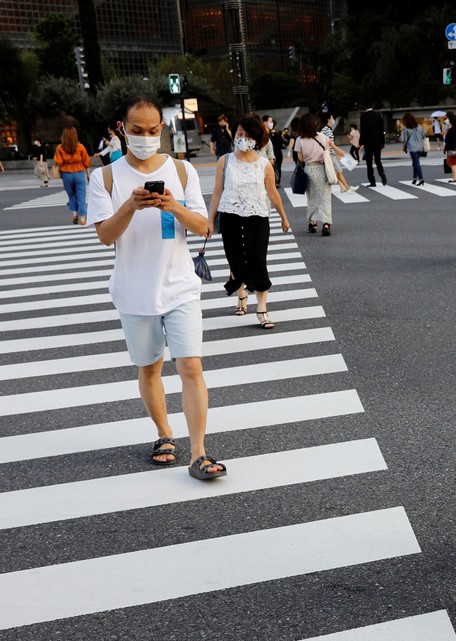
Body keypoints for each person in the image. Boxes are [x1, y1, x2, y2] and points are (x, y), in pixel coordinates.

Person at [87, 93, 224, 480]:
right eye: (136, 131)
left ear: (160, 129)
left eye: (151, 130)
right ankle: (164, 434)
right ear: (122, 129)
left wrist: (173, 206)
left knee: (191, 366)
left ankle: (199, 451)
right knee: (150, 370)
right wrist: (130, 205)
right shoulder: (107, 177)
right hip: (134, 290)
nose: (145, 137)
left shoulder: (182, 172)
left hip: (180, 285)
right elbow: (104, 236)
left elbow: (203, 227)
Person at [208, 114, 291, 330]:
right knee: (236, 261)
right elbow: (217, 193)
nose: (242, 138)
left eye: (247, 135)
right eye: (239, 134)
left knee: (257, 261)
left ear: (256, 138)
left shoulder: (264, 165)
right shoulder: (224, 161)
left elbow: (272, 192)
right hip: (230, 217)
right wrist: (210, 220)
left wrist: (283, 216)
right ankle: (241, 293)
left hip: (258, 217)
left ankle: (262, 309)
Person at [290, 113, 335, 235]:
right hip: (322, 169)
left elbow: (301, 158)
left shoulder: (299, 140)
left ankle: (313, 223)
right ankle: (326, 224)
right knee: (325, 198)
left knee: (311, 198)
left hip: (309, 170)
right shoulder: (322, 136)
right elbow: (327, 150)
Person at [54, 126, 90, 225]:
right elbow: (86, 162)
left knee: (71, 195)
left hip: (66, 174)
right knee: (81, 196)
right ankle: (82, 219)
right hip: (79, 172)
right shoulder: (80, 147)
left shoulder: (60, 148)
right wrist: (88, 175)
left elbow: (58, 161)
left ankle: (75, 215)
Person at [359, 101, 386, 187]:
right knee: (378, 160)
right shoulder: (378, 115)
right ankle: (382, 173)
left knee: (369, 162)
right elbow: (382, 129)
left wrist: (361, 143)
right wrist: (382, 142)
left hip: (368, 142)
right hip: (378, 141)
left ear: (365, 107)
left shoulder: (363, 116)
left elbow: (362, 131)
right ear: (372, 106)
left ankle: (372, 181)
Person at [400, 112, 427, 186]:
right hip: (420, 146)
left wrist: (403, 146)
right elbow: (424, 133)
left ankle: (421, 179)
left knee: (416, 162)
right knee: (415, 162)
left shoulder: (406, 128)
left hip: (412, 147)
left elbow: (405, 139)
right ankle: (414, 178)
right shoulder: (419, 126)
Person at [262, 115, 285, 188]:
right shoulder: (263, 134)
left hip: (274, 157)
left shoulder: (270, 134)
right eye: (270, 121)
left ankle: (276, 182)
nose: (271, 123)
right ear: (264, 122)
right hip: (268, 160)